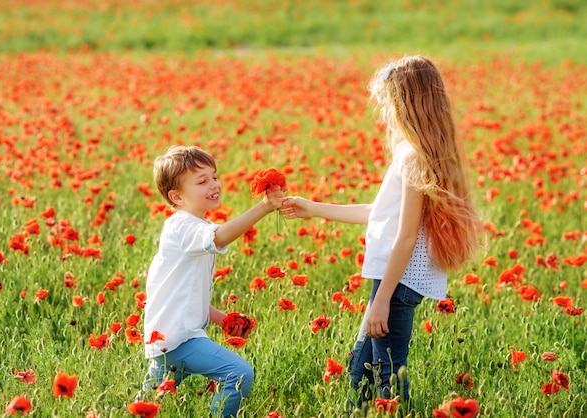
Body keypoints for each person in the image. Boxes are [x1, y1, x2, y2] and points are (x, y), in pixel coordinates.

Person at [281, 56, 481, 409]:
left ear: (405, 103)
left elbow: (405, 235)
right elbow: (380, 214)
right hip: (395, 281)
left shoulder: (414, 157)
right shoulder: (416, 153)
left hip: (398, 283)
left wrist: (383, 299)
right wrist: (311, 207)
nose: (384, 112)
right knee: (361, 370)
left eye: (388, 102)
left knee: (388, 377)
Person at [142, 145, 284, 417]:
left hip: (172, 339)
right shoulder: (183, 226)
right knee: (238, 374)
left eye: (214, 177)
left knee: (145, 405)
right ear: (177, 196)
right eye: (202, 181)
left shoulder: (193, 227)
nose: (214, 184)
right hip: (178, 342)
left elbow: (184, 293)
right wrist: (264, 207)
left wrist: (220, 318)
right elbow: (220, 237)